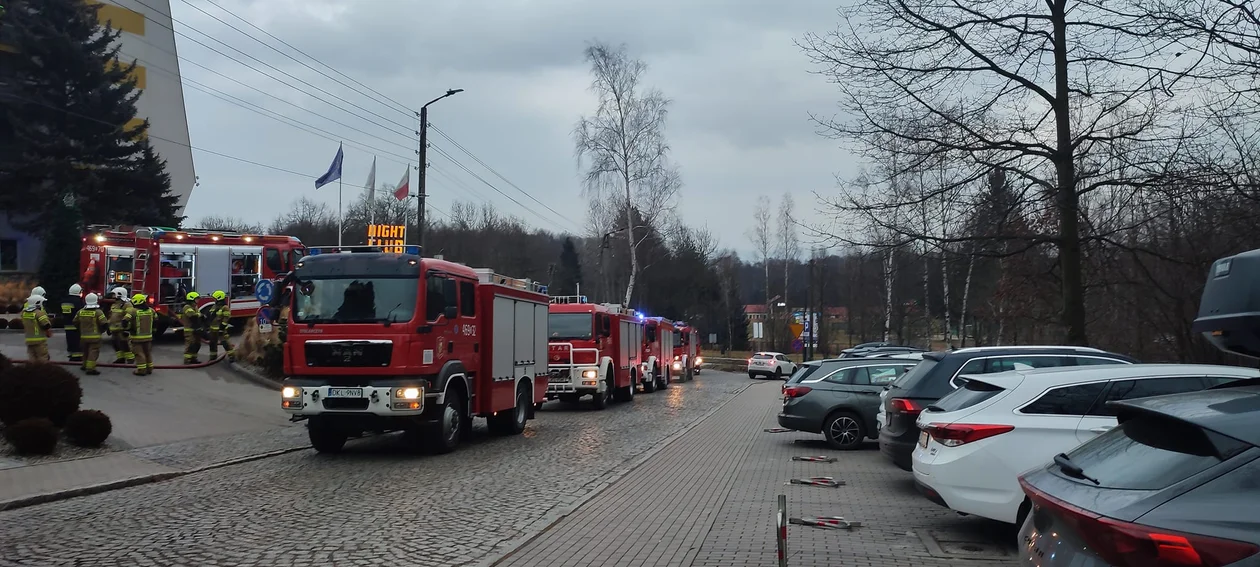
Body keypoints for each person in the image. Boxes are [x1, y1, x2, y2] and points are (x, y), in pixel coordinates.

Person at [74, 293, 108, 375]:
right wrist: (102, 331)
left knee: (85, 351)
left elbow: (75, 322)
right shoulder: (98, 312)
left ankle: (84, 365)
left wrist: (81, 329)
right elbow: (104, 323)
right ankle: (90, 368)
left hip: (83, 336)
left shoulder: (80, 312)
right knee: (93, 352)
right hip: (95, 336)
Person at [21, 295, 52, 362]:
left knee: (32, 359)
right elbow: (46, 325)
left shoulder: (24, 313)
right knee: (42, 359)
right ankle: (42, 372)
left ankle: (33, 371)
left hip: (29, 341)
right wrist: (49, 333)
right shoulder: (39, 313)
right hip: (40, 341)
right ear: (38, 302)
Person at [130, 294, 155, 376]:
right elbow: (156, 320)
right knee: (147, 353)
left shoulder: (133, 311)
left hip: (136, 337)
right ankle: (149, 368)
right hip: (148, 336)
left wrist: (129, 329)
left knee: (139, 353)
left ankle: (141, 370)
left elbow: (125, 321)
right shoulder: (151, 310)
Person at [107, 288, 134, 364]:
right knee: (114, 343)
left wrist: (126, 327)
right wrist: (108, 326)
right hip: (114, 328)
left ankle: (130, 358)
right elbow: (111, 316)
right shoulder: (114, 304)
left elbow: (130, 315)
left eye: (114, 294)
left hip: (122, 328)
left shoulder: (127, 304)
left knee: (124, 343)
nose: (112, 296)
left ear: (119, 294)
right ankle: (120, 358)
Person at [208, 290, 235, 360]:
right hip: (212, 329)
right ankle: (213, 356)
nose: (213, 300)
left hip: (220, 329)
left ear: (219, 298)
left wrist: (222, 328)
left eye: (215, 298)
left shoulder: (225, 307)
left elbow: (226, 318)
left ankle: (232, 356)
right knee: (212, 344)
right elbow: (211, 316)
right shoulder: (214, 306)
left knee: (225, 343)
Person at [61, 284, 85, 365]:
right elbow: (81, 312)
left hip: (67, 325)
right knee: (77, 342)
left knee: (70, 341)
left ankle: (71, 355)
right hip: (76, 325)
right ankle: (77, 357)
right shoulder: (78, 301)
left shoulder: (64, 301)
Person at [180, 291, 203, 364]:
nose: (198, 300)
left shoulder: (195, 307)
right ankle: (187, 360)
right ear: (191, 299)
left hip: (196, 329)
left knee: (197, 344)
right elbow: (193, 316)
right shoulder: (187, 307)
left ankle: (194, 358)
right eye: (197, 299)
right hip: (189, 330)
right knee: (190, 344)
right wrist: (201, 316)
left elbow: (199, 315)